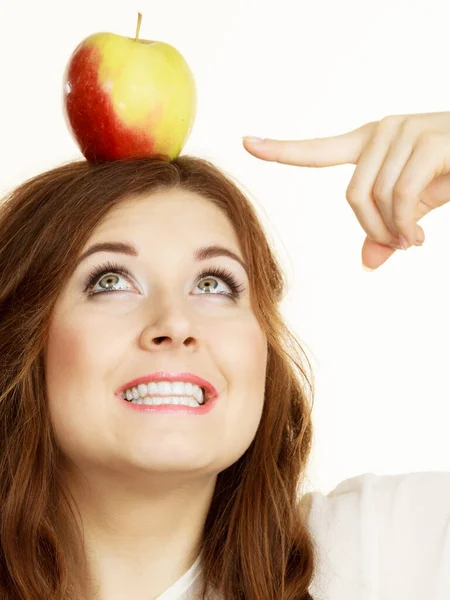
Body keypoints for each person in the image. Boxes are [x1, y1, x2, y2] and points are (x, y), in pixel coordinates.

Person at [0, 111, 448, 600]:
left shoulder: (379, 551)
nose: (174, 323)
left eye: (213, 284)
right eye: (110, 281)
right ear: (23, 340)